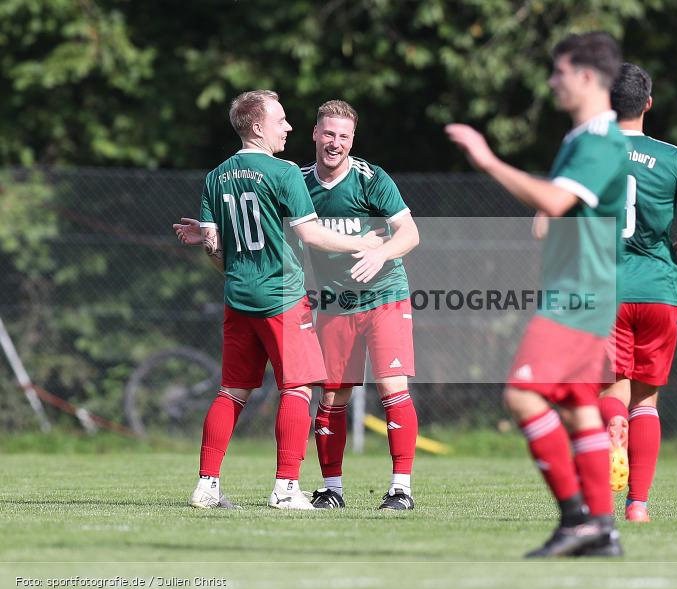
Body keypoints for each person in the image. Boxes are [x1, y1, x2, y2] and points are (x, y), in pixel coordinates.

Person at [446, 31, 629, 558]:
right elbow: (565, 205)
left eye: (560, 72)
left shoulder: (599, 141)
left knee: (523, 395)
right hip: (581, 292)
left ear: (588, 77)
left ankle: (577, 520)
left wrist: (488, 160)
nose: (552, 81)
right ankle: (601, 528)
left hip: (579, 296)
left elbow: (554, 197)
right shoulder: (581, 139)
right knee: (578, 412)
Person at [174, 90, 384, 511]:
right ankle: (286, 488)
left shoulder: (216, 175)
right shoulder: (285, 172)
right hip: (282, 298)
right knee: (299, 387)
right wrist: (359, 243)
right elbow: (311, 234)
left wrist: (223, 250)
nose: (288, 127)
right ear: (257, 127)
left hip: (238, 295)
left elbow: (214, 251)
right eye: (281, 120)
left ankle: (206, 486)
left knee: (231, 392)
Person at [599, 64, 677, 522]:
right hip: (657, 291)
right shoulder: (673, 158)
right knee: (646, 401)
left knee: (610, 390)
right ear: (648, 103)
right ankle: (638, 506)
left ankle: (613, 431)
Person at [300, 100, 421, 511]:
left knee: (392, 387)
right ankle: (331, 489)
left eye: (344, 137)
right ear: (315, 133)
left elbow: (410, 233)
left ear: (353, 139)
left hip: (386, 296)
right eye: (329, 134)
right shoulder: (299, 183)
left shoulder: (371, 178)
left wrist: (382, 253)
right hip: (335, 304)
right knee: (332, 397)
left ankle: (401, 489)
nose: (335, 143)